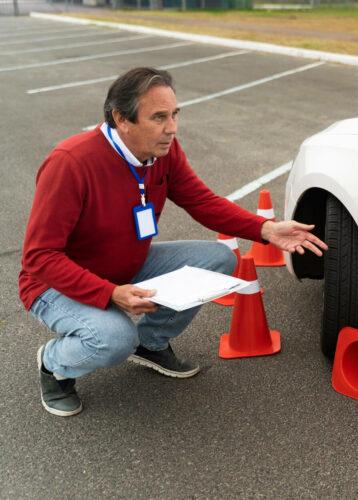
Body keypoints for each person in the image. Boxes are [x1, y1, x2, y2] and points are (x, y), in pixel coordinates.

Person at [20, 67, 328, 417]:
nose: (172, 128)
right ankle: (53, 365)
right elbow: (39, 256)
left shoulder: (163, 152)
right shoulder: (71, 163)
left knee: (217, 258)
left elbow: (202, 202)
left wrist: (266, 229)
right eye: (159, 117)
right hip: (53, 286)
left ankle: (150, 344)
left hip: (126, 266)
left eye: (174, 114)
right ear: (122, 119)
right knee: (114, 338)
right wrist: (109, 293)